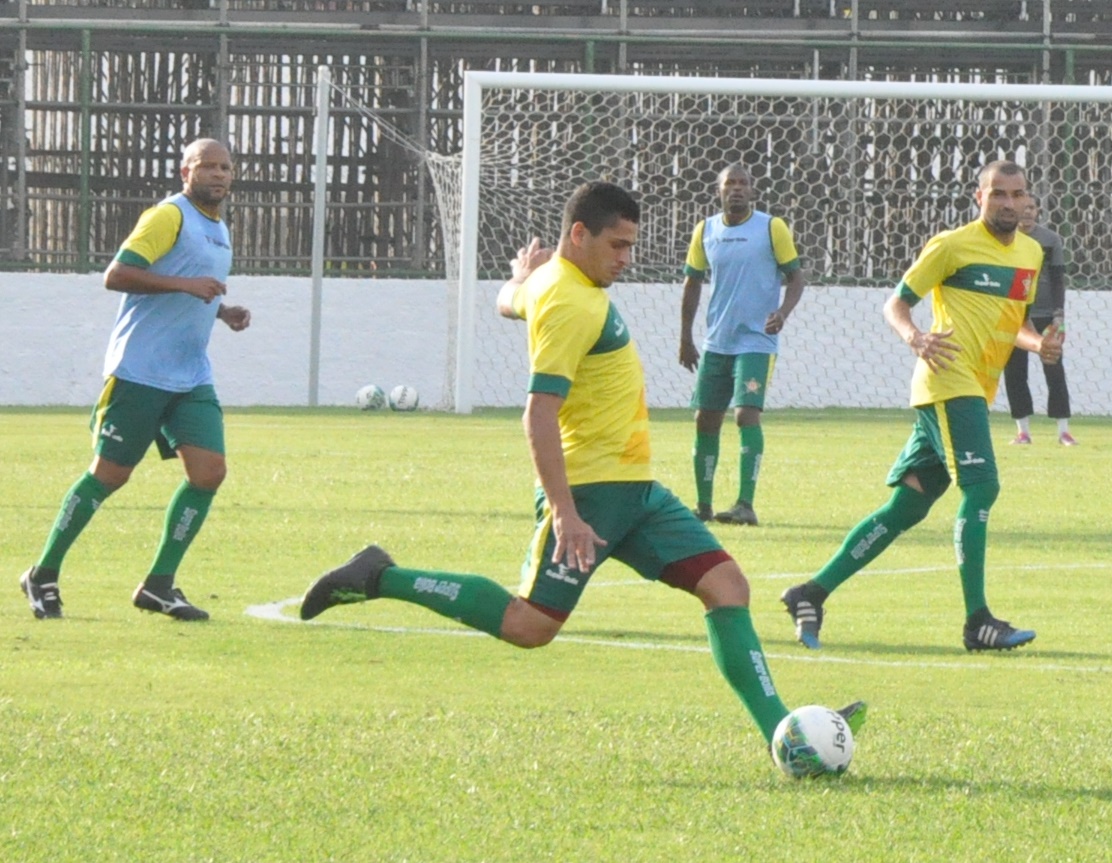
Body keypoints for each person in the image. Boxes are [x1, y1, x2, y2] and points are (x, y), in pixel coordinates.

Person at [300, 181, 865, 749]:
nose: (626, 259)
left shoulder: (554, 280)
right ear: (578, 234)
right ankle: (379, 576)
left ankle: (784, 734)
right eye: (617, 245)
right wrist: (565, 512)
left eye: (631, 246)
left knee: (727, 586)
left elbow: (508, 300)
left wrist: (522, 276)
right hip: (590, 494)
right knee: (529, 626)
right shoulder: (568, 303)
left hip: (636, 491)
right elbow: (538, 413)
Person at [780, 160, 1064, 652]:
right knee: (982, 487)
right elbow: (896, 303)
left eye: (1018, 194)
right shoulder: (950, 245)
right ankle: (978, 622)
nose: (1010, 203)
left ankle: (811, 593)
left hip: (975, 388)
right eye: (998, 193)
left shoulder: (1031, 252)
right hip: (949, 380)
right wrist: (914, 336)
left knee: (906, 507)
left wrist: (1039, 345)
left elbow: (1015, 322)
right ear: (979, 197)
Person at [18, 138, 251, 622]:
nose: (219, 174)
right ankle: (43, 573)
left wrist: (221, 311)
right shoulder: (168, 216)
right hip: (141, 371)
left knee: (209, 473)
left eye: (226, 167)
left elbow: (185, 291)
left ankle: (158, 585)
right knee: (109, 476)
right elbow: (118, 274)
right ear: (185, 171)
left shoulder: (218, 227)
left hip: (190, 375)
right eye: (207, 166)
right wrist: (187, 285)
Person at [679, 163, 806, 527]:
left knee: (745, 414)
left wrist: (782, 312)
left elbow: (796, 277)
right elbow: (692, 283)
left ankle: (745, 504)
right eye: (729, 183)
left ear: (752, 191)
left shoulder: (771, 227)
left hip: (756, 341)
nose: (736, 188)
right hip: (717, 342)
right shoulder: (705, 230)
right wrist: (685, 337)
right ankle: (703, 506)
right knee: (705, 418)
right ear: (718, 191)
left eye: (743, 183)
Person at [1003, 195, 1076, 445]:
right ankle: (1023, 432)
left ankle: (1063, 431)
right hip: (1015, 315)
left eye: (1031, 208)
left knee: (1054, 370)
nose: (1027, 213)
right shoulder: (1006, 238)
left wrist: (1059, 315)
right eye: (1023, 208)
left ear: (1037, 211)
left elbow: (1057, 279)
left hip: (1045, 314)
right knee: (1015, 372)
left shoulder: (1050, 240)